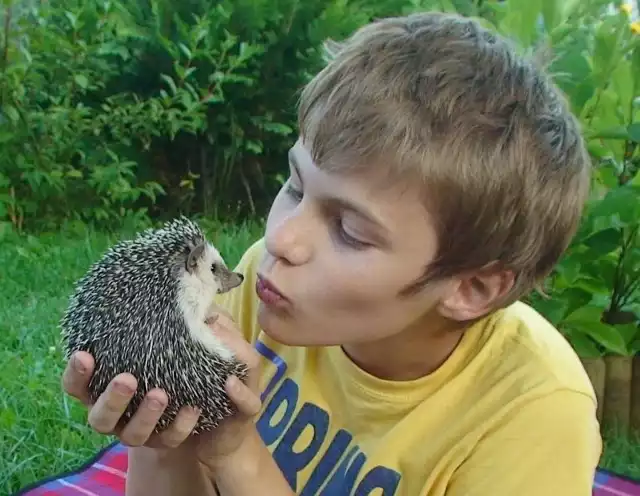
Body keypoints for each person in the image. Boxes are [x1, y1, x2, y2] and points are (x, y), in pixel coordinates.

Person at [61, 11, 602, 496]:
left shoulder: (534, 414)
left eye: (349, 229)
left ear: (470, 288)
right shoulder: (260, 281)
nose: (281, 240)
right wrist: (167, 437)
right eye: (295, 186)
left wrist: (237, 456)